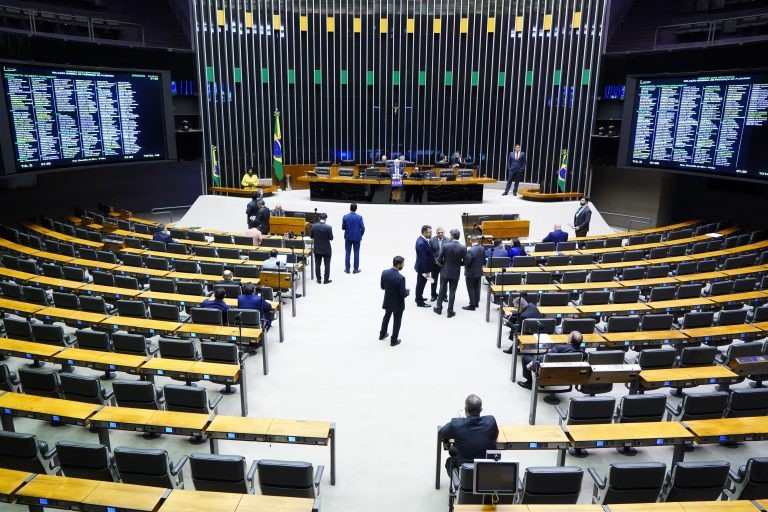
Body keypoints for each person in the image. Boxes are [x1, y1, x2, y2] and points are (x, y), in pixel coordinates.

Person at [438, 394, 498, 478]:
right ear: (481, 409)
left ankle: (458, 484)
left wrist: (457, 421)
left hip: (466, 475)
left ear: (465, 410)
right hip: (487, 474)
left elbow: (442, 432)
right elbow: (496, 435)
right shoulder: (491, 421)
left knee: (449, 461)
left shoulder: (456, 424)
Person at [517, 331, 584, 389]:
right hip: (567, 375)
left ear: (570, 340)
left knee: (525, 358)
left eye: (569, 336)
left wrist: (532, 363)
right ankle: (543, 383)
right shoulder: (583, 354)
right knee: (535, 357)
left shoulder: (558, 348)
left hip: (549, 373)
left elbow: (546, 359)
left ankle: (529, 383)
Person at [434, 229, 466, 318]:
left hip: (445, 271)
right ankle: (450, 311)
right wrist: (457, 263)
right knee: (452, 292)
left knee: (442, 290)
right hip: (455, 272)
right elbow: (465, 262)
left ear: (451, 236)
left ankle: (439, 308)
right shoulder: (463, 248)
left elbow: (439, 259)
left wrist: (444, 264)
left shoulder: (445, 245)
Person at [380, 255, 409, 347]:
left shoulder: (384, 273)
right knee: (397, 321)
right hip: (398, 304)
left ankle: (382, 334)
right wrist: (407, 291)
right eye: (403, 264)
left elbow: (382, 287)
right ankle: (393, 340)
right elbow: (403, 294)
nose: (403, 266)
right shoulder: (401, 278)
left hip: (388, 301)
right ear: (398, 265)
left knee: (386, 317)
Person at [310, 212, 333, 284]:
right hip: (326, 249)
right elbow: (331, 238)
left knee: (317, 264)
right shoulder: (329, 227)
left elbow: (311, 236)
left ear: (319, 218)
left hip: (317, 248)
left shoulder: (314, 226)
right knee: (327, 264)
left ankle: (319, 279)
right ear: (326, 219)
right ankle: (326, 280)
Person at [341, 203, 365, 274]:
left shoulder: (345, 217)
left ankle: (347, 269)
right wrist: (360, 235)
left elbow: (343, 227)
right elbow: (363, 228)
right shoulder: (359, 217)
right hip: (357, 237)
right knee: (356, 252)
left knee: (348, 252)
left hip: (348, 237)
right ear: (356, 209)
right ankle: (355, 269)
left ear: (350, 208)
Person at [414, 225, 434, 307]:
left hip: (422, 267)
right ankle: (419, 302)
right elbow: (423, 259)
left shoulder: (423, 239)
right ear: (424, 232)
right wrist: (426, 271)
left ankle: (419, 297)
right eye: (429, 232)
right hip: (423, 268)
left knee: (420, 284)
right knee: (420, 284)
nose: (431, 233)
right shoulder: (421, 243)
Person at [463, 236, 485, 311]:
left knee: (471, 288)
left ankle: (472, 305)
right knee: (477, 287)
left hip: (470, 273)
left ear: (470, 241)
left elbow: (467, 263)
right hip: (479, 271)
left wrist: (464, 262)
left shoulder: (470, 250)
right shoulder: (482, 248)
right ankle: (476, 303)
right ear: (477, 240)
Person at [429, 227, 449, 302]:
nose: (440, 234)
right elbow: (431, 253)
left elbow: (449, 252)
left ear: (444, 233)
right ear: (436, 233)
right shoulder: (432, 240)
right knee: (433, 281)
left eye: (442, 232)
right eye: (438, 233)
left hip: (444, 264)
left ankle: (444, 296)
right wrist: (436, 261)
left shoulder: (448, 240)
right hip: (435, 265)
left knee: (444, 281)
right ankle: (433, 295)